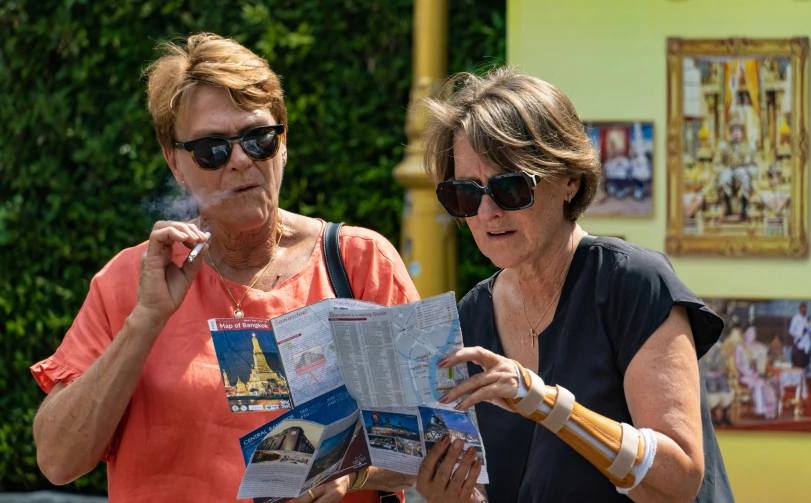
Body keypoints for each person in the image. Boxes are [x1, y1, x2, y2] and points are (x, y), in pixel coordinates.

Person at [30, 33, 418, 503]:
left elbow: (423, 441)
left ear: (284, 142)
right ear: (175, 163)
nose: (239, 161)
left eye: (258, 139)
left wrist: (347, 474)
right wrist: (146, 321)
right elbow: (58, 460)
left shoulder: (357, 263)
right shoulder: (129, 281)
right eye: (212, 149)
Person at [414, 67, 734, 502]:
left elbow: (677, 480)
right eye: (465, 194)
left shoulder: (632, 283)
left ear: (570, 180)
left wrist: (548, 404)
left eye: (508, 187)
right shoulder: (471, 316)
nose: (487, 211)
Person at [734, 326, 777, 419]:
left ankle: (769, 411)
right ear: (745, 334)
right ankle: (760, 410)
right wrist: (748, 372)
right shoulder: (740, 347)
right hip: (745, 376)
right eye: (750, 333)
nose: (752, 335)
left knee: (769, 385)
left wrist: (759, 371)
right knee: (759, 384)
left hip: (756, 375)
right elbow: (738, 364)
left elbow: (761, 362)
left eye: (753, 333)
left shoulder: (758, 346)